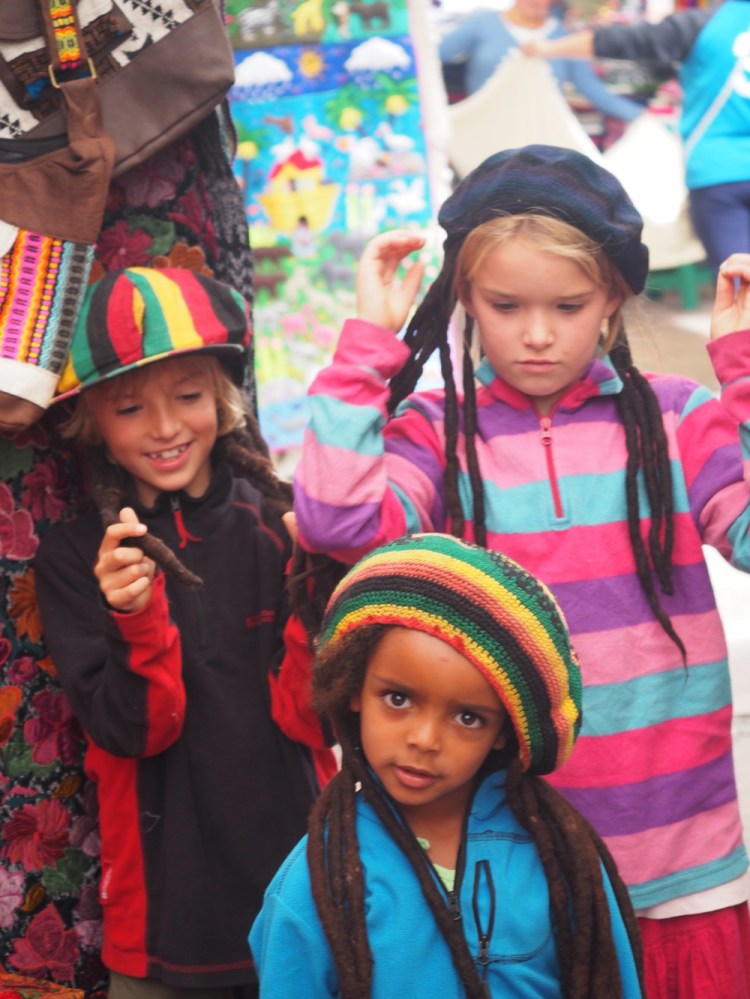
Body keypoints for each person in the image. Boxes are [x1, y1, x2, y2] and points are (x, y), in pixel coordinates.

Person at [292, 144, 750, 997]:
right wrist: (367, 349)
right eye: (506, 305)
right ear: (464, 298)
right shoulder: (436, 434)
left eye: (568, 305)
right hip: (517, 864)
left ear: (612, 295)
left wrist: (743, 373)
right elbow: (338, 517)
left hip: (684, 858)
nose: (537, 333)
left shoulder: (679, 421)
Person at [33, 267, 319, 998]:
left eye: (188, 395)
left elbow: (309, 716)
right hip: (164, 916)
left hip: (298, 891)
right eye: (130, 407)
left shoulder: (275, 526)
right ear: (91, 420)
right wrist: (135, 617)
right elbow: (137, 730)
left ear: (224, 400)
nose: (164, 427)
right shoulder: (75, 557)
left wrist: (317, 596)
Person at [250, 532, 644, 998]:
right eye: (397, 699)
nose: (424, 739)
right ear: (354, 688)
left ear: (504, 730)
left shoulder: (561, 858)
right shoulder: (314, 886)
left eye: (468, 717)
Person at [523, 1, 750, 272]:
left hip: (718, 172)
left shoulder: (703, 24)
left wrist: (545, 49)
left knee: (739, 284)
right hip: (719, 173)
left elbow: (619, 41)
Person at [438, 0, 643, 124]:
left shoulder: (563, 38)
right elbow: (431, 60)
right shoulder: (482, 24)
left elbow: (594, 91)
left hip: (540, 138)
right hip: (485, 131)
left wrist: (643, 118)